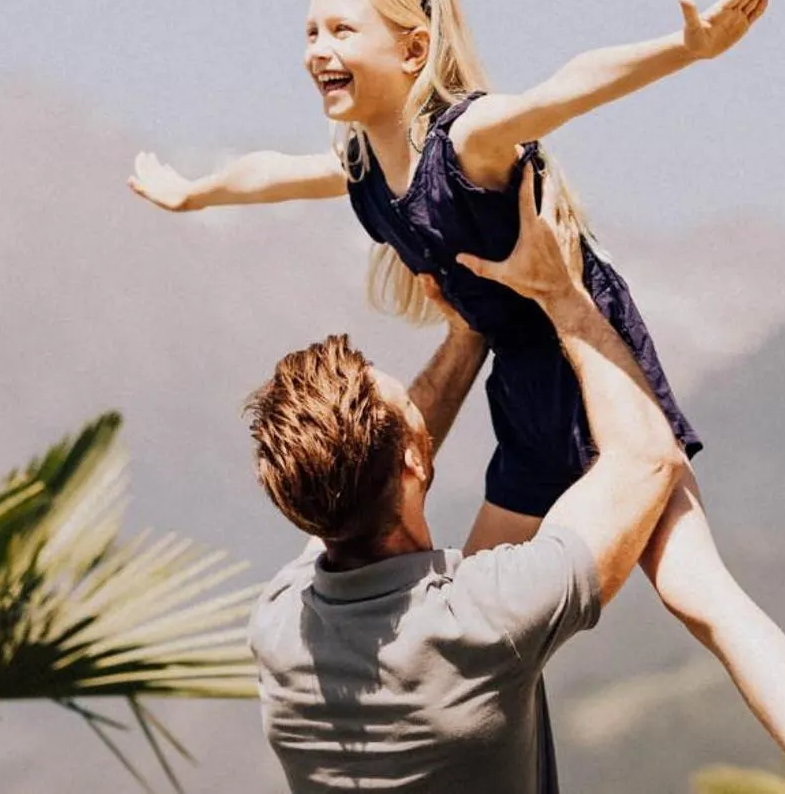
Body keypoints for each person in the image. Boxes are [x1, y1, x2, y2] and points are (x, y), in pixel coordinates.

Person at [136, 0, 785, 792]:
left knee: (698, 591)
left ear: (412, 51)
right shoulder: (366, 167)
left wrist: (683, 49)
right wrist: (196, 193)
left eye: (341, 28)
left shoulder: (463, 141)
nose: (317, 48)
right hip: (519, 379)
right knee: (463, 620)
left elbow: (563, 87)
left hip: (590, 362)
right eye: (309, 30)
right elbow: (271, 172)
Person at [244, 166, 685, 792]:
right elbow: (649, 459)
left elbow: (362, 471)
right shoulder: (484, 618)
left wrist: (468, 335)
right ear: (415, 462)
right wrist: (562, 295)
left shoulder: (284, 628)